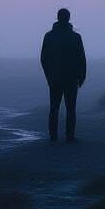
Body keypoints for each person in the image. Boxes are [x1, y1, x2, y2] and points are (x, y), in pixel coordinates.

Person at [39, 7, 86, 143]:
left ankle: (54, 137)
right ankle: (69, 136)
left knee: (54, 108)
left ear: (58, 17)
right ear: (68, 18)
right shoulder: (75, 37)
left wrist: (49, 76)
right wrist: (81, 76)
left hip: (55, 78)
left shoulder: (49, 36)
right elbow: (81, 59)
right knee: (70, 109)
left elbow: (44, 59)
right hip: (71, 79)